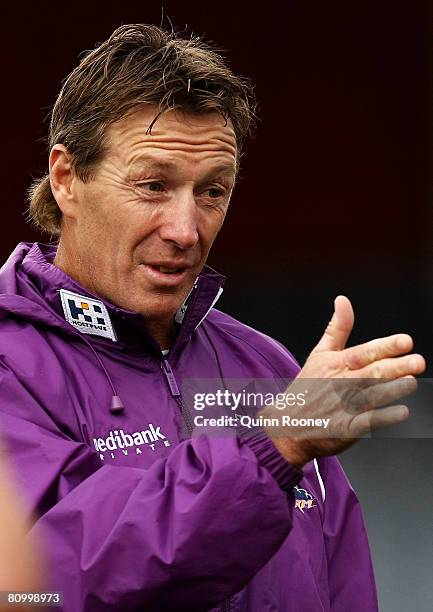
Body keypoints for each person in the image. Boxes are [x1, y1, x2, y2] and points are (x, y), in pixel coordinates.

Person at [0, 23, 424, 611]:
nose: (186, 230)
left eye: (212, 192)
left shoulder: (266, 365)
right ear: (67, 179)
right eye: (153, 185)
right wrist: (274, 448)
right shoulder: (9, 367)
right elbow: (41, 584)